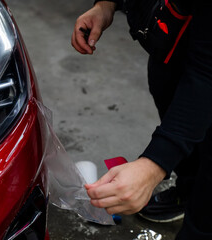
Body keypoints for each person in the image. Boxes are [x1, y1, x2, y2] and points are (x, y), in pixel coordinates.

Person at [71, 0, 212, 239]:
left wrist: (154, 165)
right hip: (172, 42)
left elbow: (206, 75)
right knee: (173, 107)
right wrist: (106, 5)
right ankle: (187, 191)